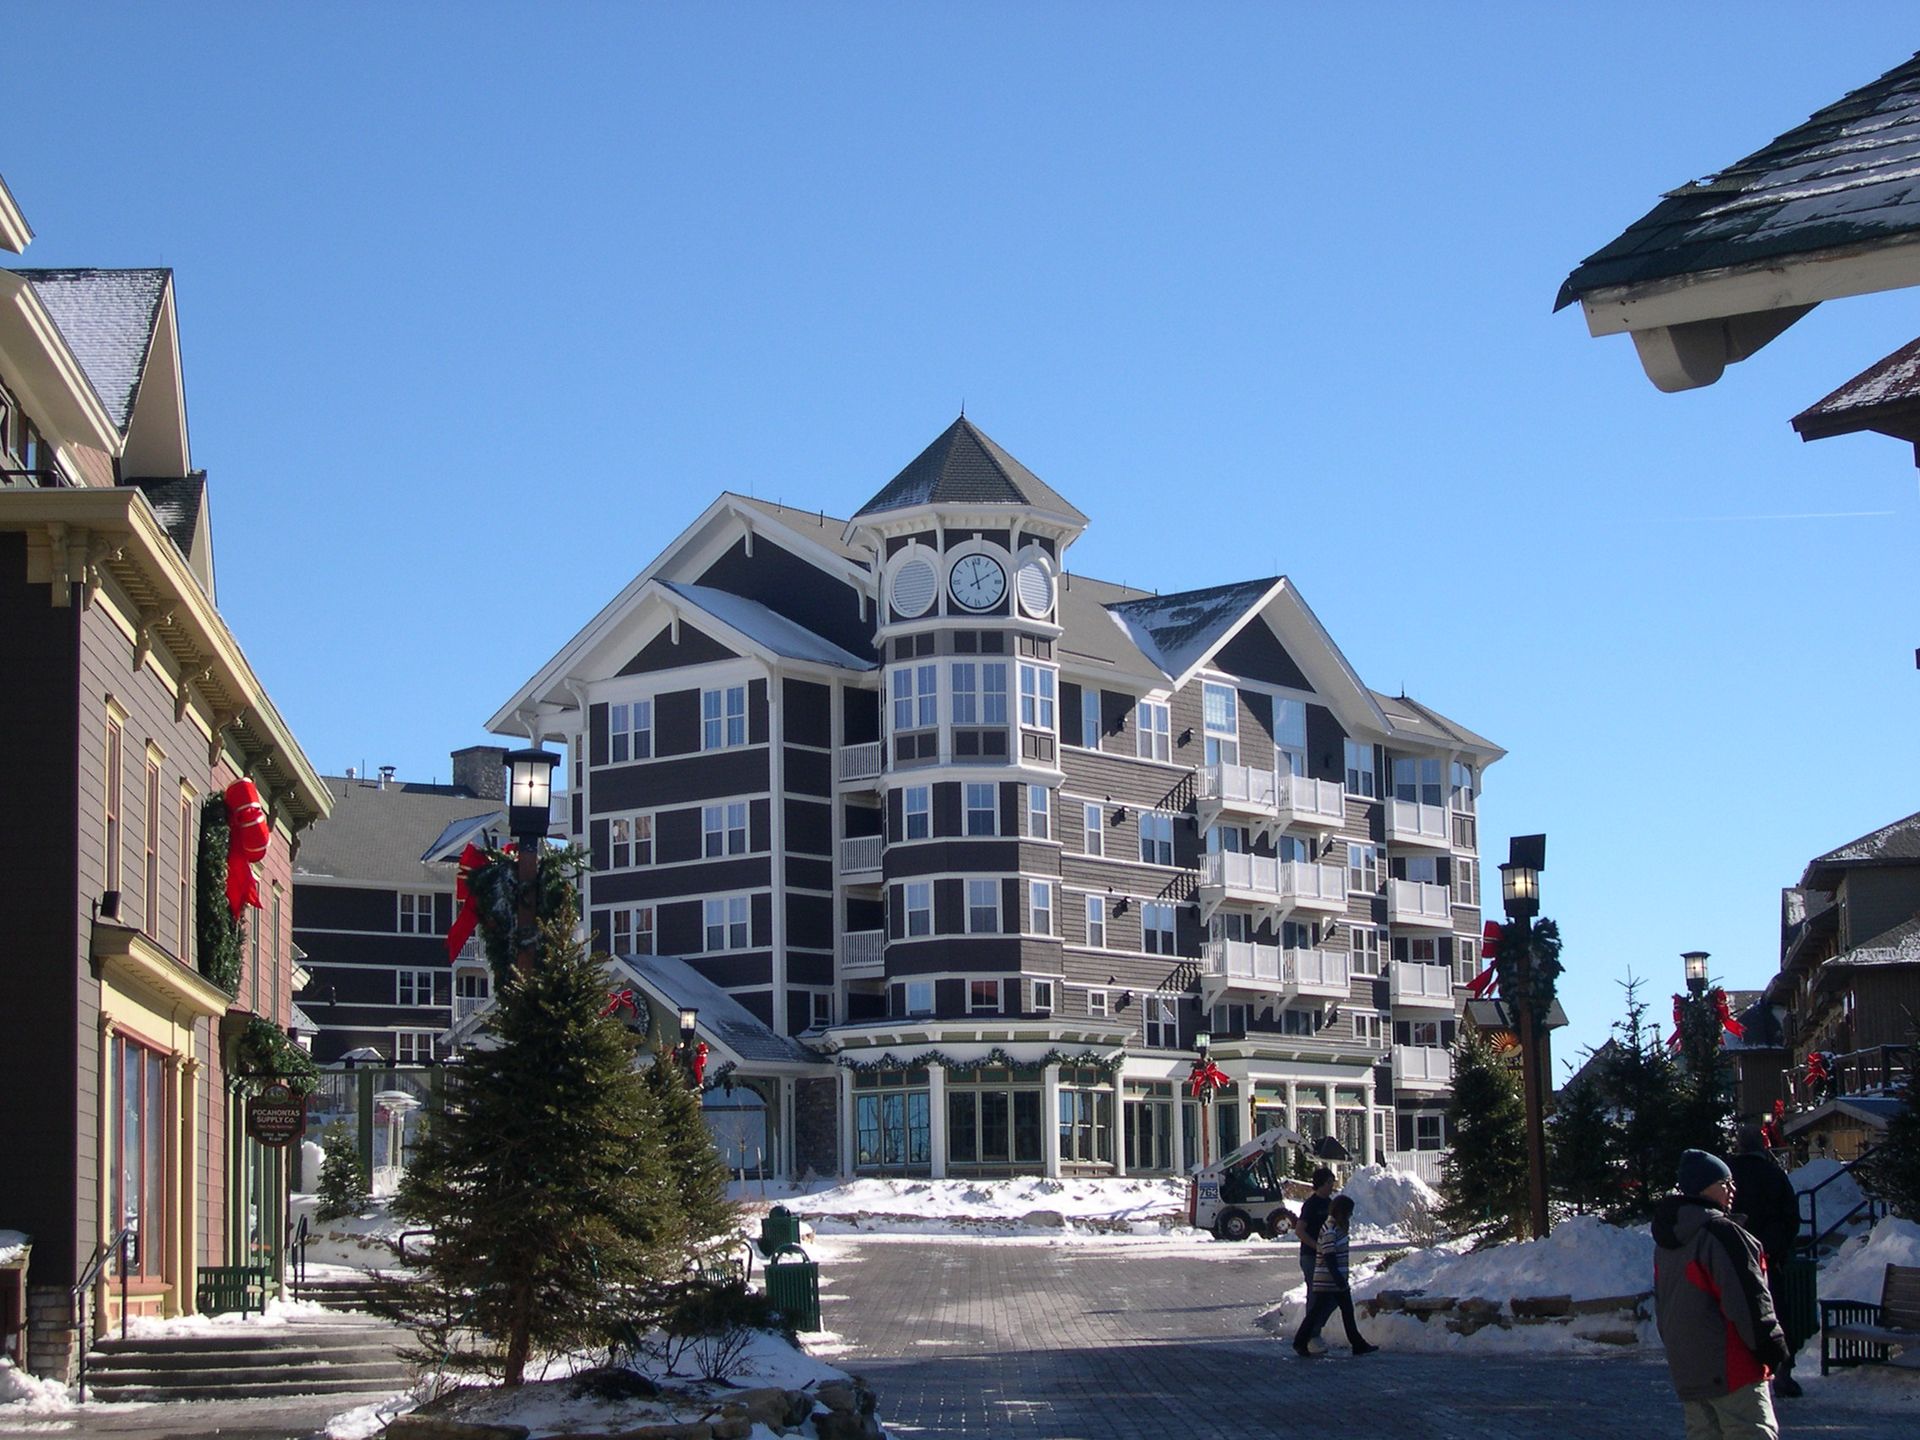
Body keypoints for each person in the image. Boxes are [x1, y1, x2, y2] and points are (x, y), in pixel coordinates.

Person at [1652, 1149, 1790, 1439]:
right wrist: (1771, 1345)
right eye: (1724, 1183)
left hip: (1689, 1367)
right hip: (1732, 1364)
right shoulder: (1721, 1233)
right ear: (1704, 1188)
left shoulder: (1667, 1241)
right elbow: (1748, 1299)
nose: (1732, 1189)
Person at [1729, 1124, 1803, 1398]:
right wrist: (1778, 1248)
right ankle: (1782, 1369)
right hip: (1768, 1257)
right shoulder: (1774, 1175)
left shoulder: (1729, 1175)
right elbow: (1791, 1218)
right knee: (1776, 1313)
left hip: (1733, 1258)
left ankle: (1742, 1371)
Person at [1291, 1193, 1377, 1357]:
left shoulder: (1335, 1227)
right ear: (1343, 1212)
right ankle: (1300, 1342)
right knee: (1321, 1311)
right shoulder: (1331, 1229)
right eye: (1350, 1212)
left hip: (1333, 1279)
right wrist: (1338, 1277)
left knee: (1341, 1311)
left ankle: (1357, 1344)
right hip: (1329, 1280)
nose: (1351, 1215)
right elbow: (1329, 1255)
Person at [1292, 1166, 1335, 1292]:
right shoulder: (1311, 1205)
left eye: (1332, 1182)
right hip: (1311, 1256)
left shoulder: (1330, 1203)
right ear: (1321, 1183)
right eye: (1329, 1182)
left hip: (1327, 1255)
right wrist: (1317, 1246)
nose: (1332, 1186)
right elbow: (1299, 1230)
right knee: (1315, 1292)